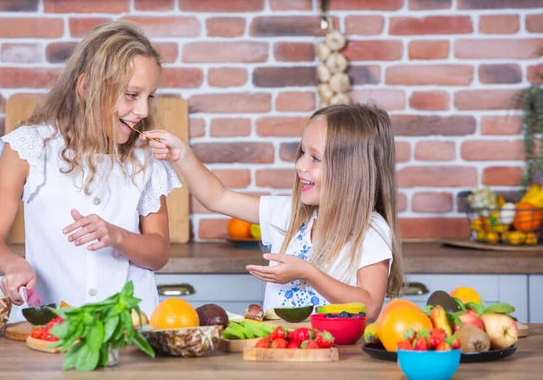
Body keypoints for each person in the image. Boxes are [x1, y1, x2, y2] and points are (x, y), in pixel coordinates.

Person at [0, 20, 181, 317]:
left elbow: (159, 253)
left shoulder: (146, 157)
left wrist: (118, 236)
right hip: (50, 325)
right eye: (131, 95)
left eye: (149, 96)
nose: (144, 111)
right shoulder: (28, 146)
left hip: (133, 325)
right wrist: (13, 264)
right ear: (86, 87)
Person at [144, 103, 404, 321]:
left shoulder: (369, 230)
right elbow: (217, 197)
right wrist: (183, 156)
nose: (300, 165)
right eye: (302, 152)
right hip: (279, 354)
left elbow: (369, 307)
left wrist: (308, 272)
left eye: (315, 158)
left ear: (351, 171)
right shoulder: (290, 214)